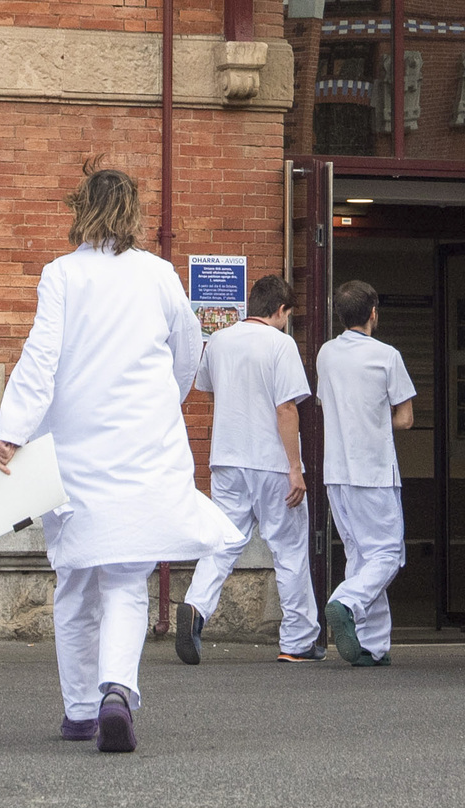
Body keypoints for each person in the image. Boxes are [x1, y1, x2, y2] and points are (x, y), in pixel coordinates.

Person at [0, 168, 241, 754]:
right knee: (128, 577)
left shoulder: (61, 275)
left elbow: (41, 356)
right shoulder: (159, 275)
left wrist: (12, 430)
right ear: (133, 213)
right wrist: (161, 404)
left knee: (76, 579)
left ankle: (80, 709)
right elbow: (187, 354)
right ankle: (117, 692)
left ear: (80, 210)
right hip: (145, 447)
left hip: (75, 453)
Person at [175, 273, 322, 665]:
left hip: (227, 457)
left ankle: (195, 606)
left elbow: (208, 389)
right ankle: (298, 639)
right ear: (279, 310)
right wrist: (296, 467)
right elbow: (287, 408)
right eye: (288, 314)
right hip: (272, 461)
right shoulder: (281, 344)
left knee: (223, 542)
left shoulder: (220, 340)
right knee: (289, 548)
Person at [314, 278, 417, 667]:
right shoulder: (387, 356)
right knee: (388, 554)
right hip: (373, 469)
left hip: (335, 472)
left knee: (360, 556)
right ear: (373, 313)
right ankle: (346, 601)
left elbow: (329, 404)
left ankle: (372, 645)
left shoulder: (326, 354)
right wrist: (376, 420)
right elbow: (405, 418)